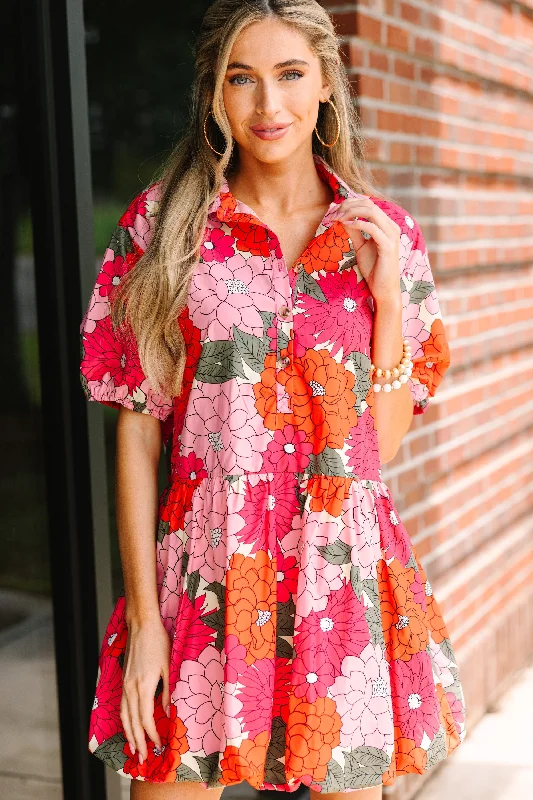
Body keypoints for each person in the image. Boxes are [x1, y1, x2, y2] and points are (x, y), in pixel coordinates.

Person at [80, 1, 467, 798]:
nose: (268, 106)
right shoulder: (164, 230)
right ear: (214, 95)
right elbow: (136, 433)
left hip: (343, 578)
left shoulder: (381, 238)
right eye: (241, 79)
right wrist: (147, 623)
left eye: (290, 75)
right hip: (205, 578)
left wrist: (386, 302)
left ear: (325, 82)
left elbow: (376, 450)